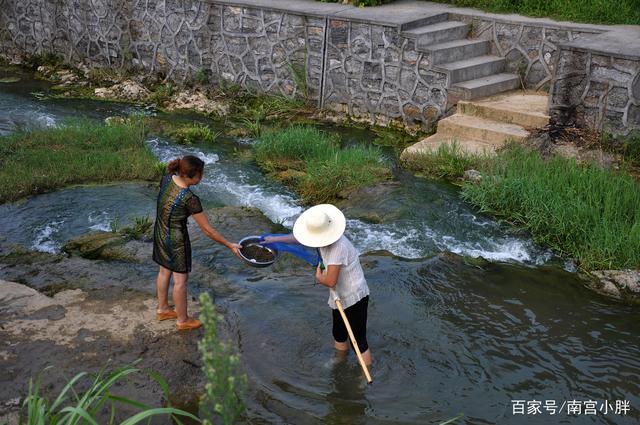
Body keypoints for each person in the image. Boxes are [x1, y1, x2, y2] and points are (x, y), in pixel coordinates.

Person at [264, 204, 372, 365]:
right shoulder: (322, 238)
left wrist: (318, 275)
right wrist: (275, 239)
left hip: (354, 295)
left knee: (358, 340)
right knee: (339, 334)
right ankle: (340, 363)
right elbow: (297, 239)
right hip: (339, 295)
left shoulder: (338, 248)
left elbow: (330, 281)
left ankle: (364, 376)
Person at [153, 155, 240, 330]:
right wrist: (229, 244)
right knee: (180, 282)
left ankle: (163, 309)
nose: (202, 177)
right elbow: (207, 230)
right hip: (177, 242)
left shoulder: (167, 179)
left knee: (164, 272)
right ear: (191, 175)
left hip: (160, 232)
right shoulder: (189, 199)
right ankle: (183, 321)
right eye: (201, 174)